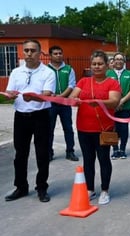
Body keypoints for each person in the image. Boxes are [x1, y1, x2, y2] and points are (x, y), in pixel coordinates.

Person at [4, 39, 56, 202]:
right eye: (26, 50)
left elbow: (48, 94)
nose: (29, 54)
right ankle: (21, 187)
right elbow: (10, 92)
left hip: (40, 116)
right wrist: (10, 96)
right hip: (21, 116)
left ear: (40, 53)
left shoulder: (47, 72)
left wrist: (34, 97)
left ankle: (42, 187)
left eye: (32, 50)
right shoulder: (16, 72)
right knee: (20, 154)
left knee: (42, 153)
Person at [69, 50, 121, 205]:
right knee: (88, 160)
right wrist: (75, 100)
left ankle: (105, 190)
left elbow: (114, 101)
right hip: (84, 127)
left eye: (100, 64)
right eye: (94, 64)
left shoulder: (112, 82)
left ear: (107, 66)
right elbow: (72, 97)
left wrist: (98, 102)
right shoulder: (83, 82)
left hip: (104, 129)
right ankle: (90, 189)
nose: (97, 67)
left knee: (104, 159)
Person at [48, 45, 79, 162]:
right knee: (49, 128)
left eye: (60, 53)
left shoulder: (69, 69)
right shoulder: (46, 70)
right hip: (50, 104)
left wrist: (60, 97)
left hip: (65, 103)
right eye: (55, 53)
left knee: (68, 128)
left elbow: (71, 85)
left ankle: (70, 151)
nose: (58, 55)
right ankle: (49, 152)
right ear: (50, 56)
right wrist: (52, 97)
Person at [106, 52, 130, 160]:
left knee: (124, 128)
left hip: (126, 105)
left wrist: (122, 101)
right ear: (113, 61)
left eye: (121, 59)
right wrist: (114, 102)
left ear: (124, 62)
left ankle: (122, 149)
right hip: (111, 106)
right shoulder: (108, 74)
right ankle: (115, 149)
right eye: (116, 59)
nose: (118, 61)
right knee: (113, 128)